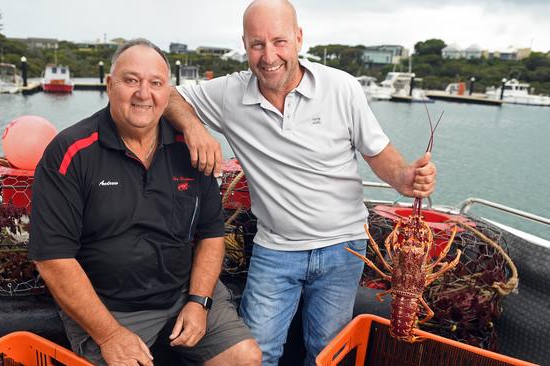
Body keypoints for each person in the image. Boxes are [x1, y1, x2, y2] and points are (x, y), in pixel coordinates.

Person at [163, 1, 437, 365]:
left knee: (327, 355)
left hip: (344, 248)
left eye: (279, 41)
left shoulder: (342, 87)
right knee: (257, 356)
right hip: (275, 249)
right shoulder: (230, 93)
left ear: (298, 38)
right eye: (257, 44)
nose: (269, 55)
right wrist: (194, 126)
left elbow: (377, 152)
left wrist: (405, 177)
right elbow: (168, 94)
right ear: (244, 45)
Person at [28, 38, 261, 366]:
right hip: (109, 310)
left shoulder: (191, 149)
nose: (143, 94)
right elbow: (53, 258)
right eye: (131, 80)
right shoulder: (70, 153)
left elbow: (211, 234)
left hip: (183, 294)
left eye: (155, 83)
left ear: (168, 92)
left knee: (246, 357)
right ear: (110, 85)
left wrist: (198, 301)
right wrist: (109, 335)